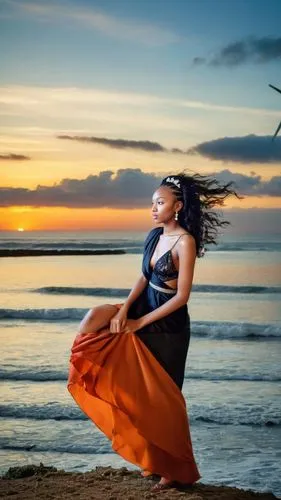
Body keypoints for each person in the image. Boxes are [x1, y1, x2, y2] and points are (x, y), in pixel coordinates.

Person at [67, 171, 241, 492]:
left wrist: (138, 323)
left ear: (177, 205)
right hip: (142, 307)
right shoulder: (154, 236)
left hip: (168, 325)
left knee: (164, 399)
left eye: (159, 202)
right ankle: (151, 456)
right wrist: (124, 310)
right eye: (152, 203)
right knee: (95, 320)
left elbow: (182, 297)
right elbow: (144, 277)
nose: (153, 208)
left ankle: (171, 469)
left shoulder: (186, 242)